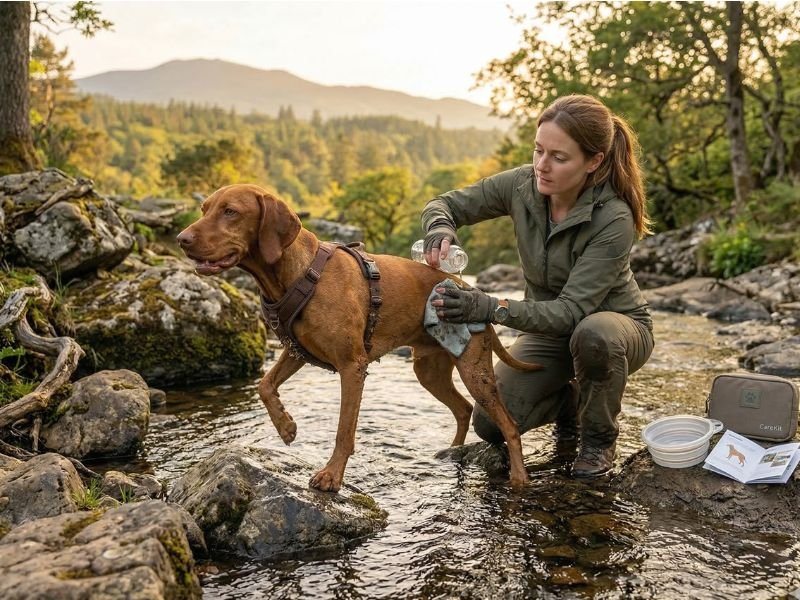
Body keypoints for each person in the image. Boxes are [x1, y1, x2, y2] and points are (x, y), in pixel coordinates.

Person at [423, 94, 654, 477]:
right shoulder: (521, 185)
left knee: (593, 335)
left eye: (559, 158)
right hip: (549, 331)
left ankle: (598, 440)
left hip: (614, 330)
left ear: (593, 162)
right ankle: (570, 400)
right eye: (538, 150)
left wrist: (488, 306)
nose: (541, 166)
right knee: (490, 423)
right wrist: (440, 227)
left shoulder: (614, 217)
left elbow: (570, 312)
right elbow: (444, 203)